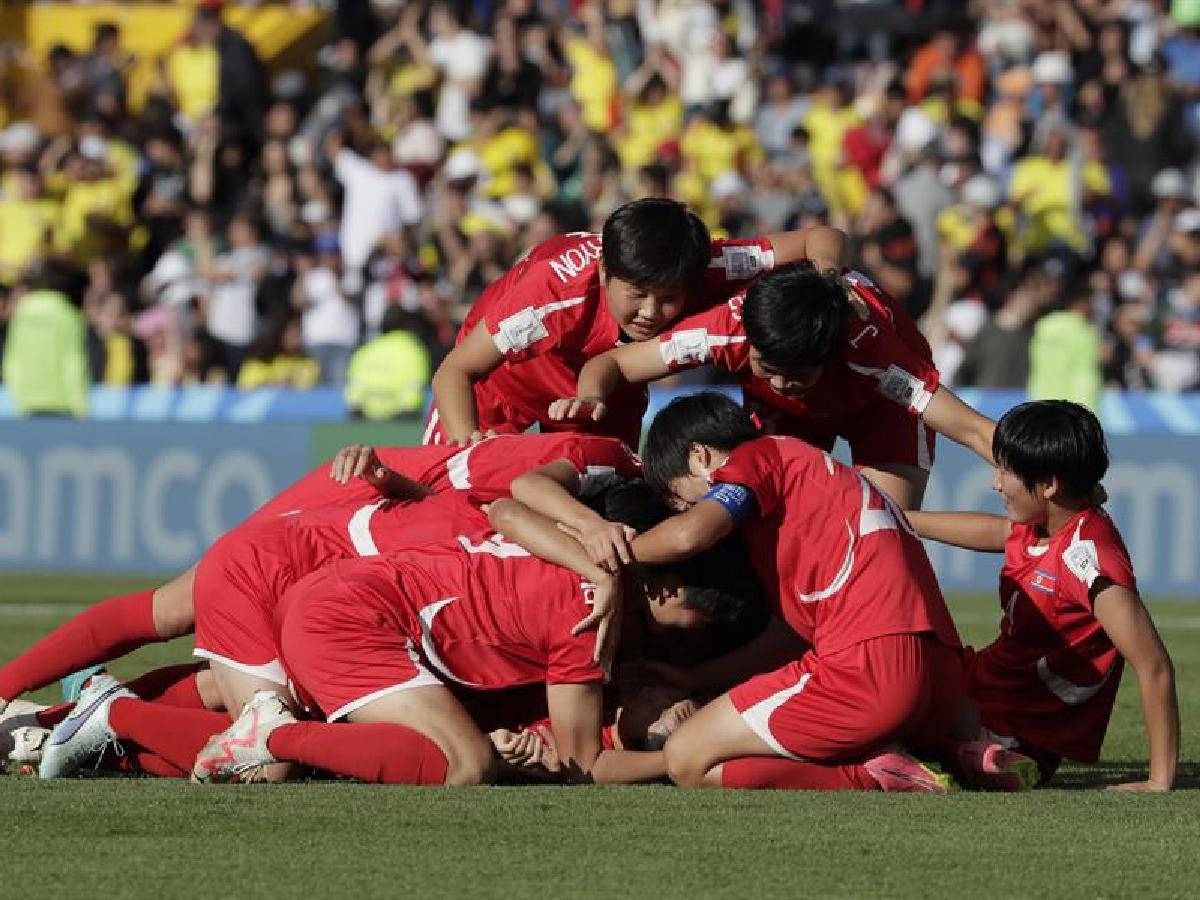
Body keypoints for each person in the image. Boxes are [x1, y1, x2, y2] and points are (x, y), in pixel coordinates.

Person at [0, 433, 641, 718]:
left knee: (240, 679)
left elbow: (472, 503)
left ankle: (88, 712)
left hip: (389, 518)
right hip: (358, 518)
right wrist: (593, 551)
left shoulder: (590, 480)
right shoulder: (595, 468)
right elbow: (492, 495)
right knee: (192, 623)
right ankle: (40, 702)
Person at [612, 392, 975, 792]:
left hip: (870, 671)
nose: (682, 508)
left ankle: (870, 774)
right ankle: (973, 753)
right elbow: (789, 637)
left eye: (677, 495)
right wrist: (692, 677)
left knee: (685, 760)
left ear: (700, 456)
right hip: (940, 683)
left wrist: (607, 557)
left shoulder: (759, 456)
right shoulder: (808, 494)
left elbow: (688, 536)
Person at [557, 263, 995, 509]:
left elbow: (974, 430)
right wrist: (591, 396)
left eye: (798, 375)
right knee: (756, 508)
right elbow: (613, 362)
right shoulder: (728, 327)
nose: (783, 383)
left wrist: (1047, 465)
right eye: (767, 367)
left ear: (829, 355)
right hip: (787, 419)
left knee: (883, 526)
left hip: (879, 410)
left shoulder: (874, 354)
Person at [907, 401, 1178, 791]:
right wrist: (903, 519)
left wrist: (1158, 780)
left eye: (1006, 471)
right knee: (898, 675)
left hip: (1018, 729)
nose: (995, 483)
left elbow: (1154, 665)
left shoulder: (1089, 560)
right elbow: (998, 533)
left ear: (1050, 485)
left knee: (893, 711)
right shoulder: (1041, 523)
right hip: (982, 688)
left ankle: (970, 757)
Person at [426, 197, 848, 447]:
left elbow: (820, 237)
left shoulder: (709, 264)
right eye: (638, 294)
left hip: (606, 395)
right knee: (451, 489)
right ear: (606, 271)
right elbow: (456, 371)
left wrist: (830, 278)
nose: (651, 312)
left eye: (669, 298)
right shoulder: (551, 292)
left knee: (607, 504)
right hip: (504, 380)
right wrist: (468, 447)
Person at [2, 261, 90, 417]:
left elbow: (12, 363)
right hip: (63, 405)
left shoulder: (20, 317)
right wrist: (81, 408)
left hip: (26, 405)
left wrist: (18, 400)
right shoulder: (69, 317)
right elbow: (73, 363)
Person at [344, 306, 431, 419]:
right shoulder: (414, 351)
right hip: (402, 420)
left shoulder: (365, 350)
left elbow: (354, 390)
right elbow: (415, 385)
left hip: (365, 418)